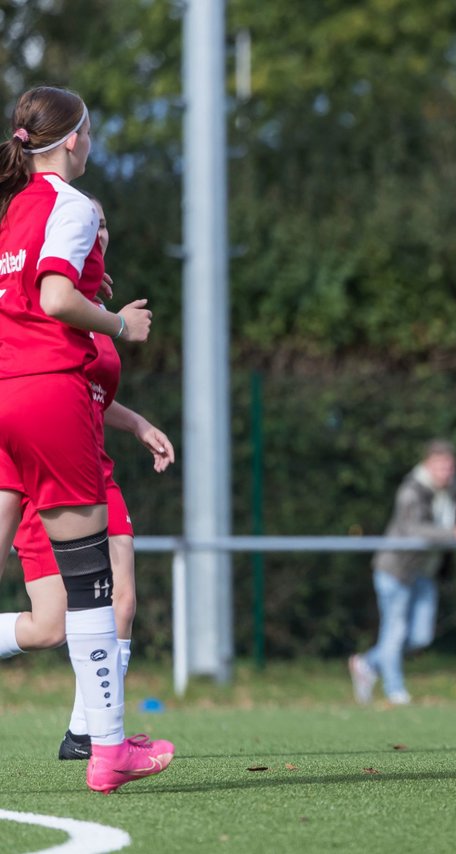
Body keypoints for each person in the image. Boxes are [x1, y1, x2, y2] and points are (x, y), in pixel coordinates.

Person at [0, 85, 173, 792]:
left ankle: (102, 738)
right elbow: (56, 298)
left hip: (9, 391)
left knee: (69, 595)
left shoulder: (16, 210)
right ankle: (106, 748)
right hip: (49, 390)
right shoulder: (72, 206)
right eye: (90, 132)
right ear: (73, 140)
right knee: (90, 578)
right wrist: (117, 324)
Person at [349, 439, 456, 705]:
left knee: (420, 636)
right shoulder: (411, 490)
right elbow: (416, 530)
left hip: (425, 573)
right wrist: (455, 534)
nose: (445, 473)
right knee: (395, 631)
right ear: (427, 465)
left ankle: (366, 663)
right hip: (396, 571)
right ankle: (395, 691)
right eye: (440, 467)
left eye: (449, 467)